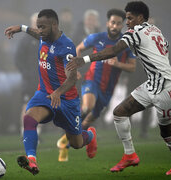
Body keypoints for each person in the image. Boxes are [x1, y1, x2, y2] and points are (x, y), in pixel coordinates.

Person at [66, 1, 171, 175]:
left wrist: (84, 59)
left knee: (167, 134)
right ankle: (130, 155)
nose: (127, 23)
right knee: (119, 112)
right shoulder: (156, 30)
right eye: (126, 19)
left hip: (165, 90)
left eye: (130, 18)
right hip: (153, 84)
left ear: (140, 18)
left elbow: (112, 51)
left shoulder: (135, 32)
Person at [4, 9, 97, 175]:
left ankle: (90, 136)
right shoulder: (43, 36)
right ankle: (32, 160)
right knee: (29, 119)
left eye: (43, 27)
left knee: (76, 143)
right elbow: (35, 33)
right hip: (45, 94)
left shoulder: (66, 47)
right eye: (38, 27)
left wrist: (58, 92)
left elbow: (72, 78)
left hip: (67, 100)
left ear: (54, 25)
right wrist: (21, 28)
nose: (40, 31)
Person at [57, 9, 136, 162]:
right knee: (87, 107)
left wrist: (118, 63)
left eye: (118, 23)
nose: (115, 26)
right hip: (91, 80)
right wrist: (75, 69)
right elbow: (78, 49)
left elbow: (132, 67)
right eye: (113, 22)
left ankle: (70, 140)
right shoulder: (96, 37)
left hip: (108, 89)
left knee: (86, 122)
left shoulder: (125, 43)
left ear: (122, 26)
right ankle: (65, 132)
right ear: (107, 23)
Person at [14, 12, 42, 137]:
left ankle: (37, 133)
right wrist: (26, 73)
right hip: (29, 80)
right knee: (26, 106)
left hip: (42, 79)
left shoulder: (46, 39)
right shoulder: (25, 40)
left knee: (40, 106)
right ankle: (24, 132)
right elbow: (18, 59)